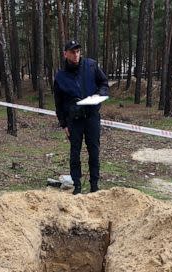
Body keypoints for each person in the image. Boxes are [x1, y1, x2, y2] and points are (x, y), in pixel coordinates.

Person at [54, 40, 109, 195]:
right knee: (75, 153)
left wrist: (101, 94)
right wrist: (63, 124)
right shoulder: (60, 76)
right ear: (65, 54)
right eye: (72, 52)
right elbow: (58, 102)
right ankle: (77, 186)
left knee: (94, 151)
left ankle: (94, 186)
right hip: (74, 121)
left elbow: (104, 83)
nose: (76, 55)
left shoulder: (91, 66)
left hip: (92, 117)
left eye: (78, 51)